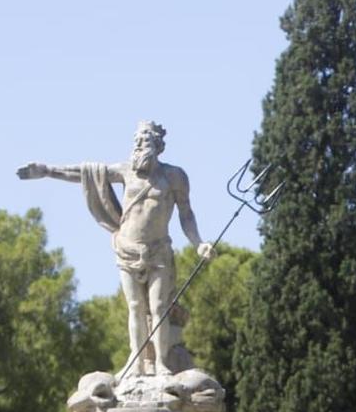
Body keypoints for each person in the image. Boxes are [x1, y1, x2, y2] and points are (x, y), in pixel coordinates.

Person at [18, 121, 212, 374]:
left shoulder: (174, 176)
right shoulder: (126, 171)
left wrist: (199, 243)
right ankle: (137, 360)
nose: (139, 143)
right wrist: (47, 170)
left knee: (159, 308)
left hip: (158, 251)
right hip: (127, 248)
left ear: (157, 145)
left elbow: (186, 214)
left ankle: (162, 363)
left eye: (144, 139)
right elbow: (87, 173)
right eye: (137, 139)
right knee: (135, 306)